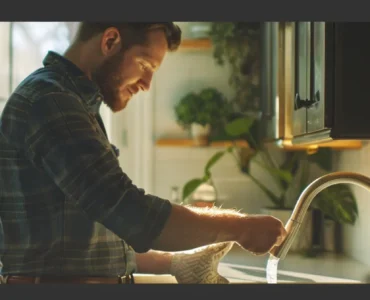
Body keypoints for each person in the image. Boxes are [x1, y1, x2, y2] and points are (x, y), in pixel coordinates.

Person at [0, 22, 287, 284]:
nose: (147, 84)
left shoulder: (71, 102)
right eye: (145, 64)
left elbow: (86, 240)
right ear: (110, 40)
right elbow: (128, 211)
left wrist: (174, 262)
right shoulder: (53, 102)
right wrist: (242, 228)